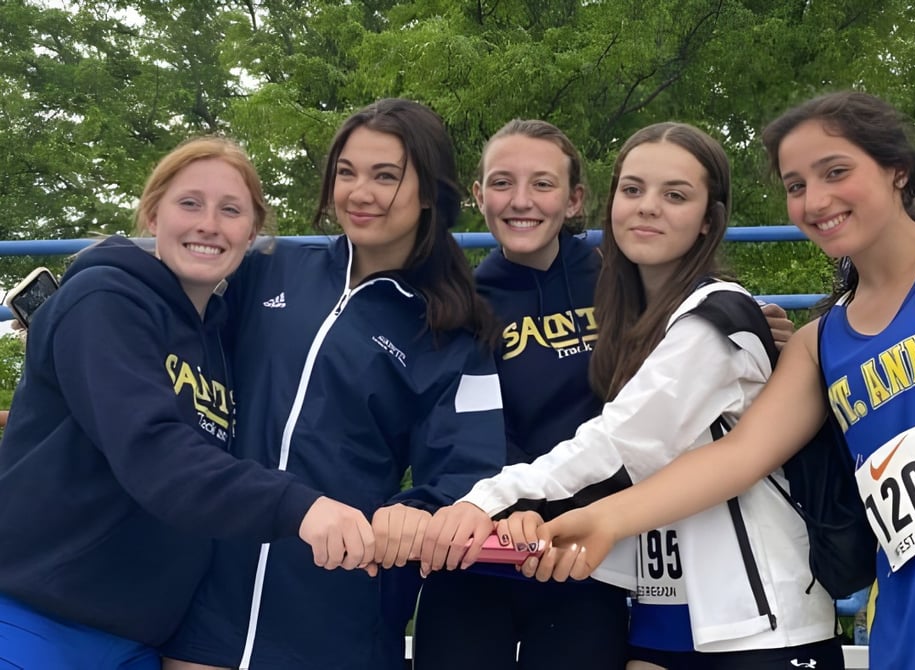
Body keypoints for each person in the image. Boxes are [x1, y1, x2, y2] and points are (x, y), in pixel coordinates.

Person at [533, 92, 915, 670]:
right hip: (914, 632)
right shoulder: (817, 343)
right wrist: (606, 518)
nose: (815, 199)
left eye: (835, 172)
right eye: (796, 184)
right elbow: (737, 455)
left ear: (897, 170)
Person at [420, 122, 841, 669]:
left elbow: (626, 437)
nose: (647, 207)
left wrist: (488, 498)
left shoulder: (716, 314)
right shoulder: (631, 314)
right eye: (633, 189)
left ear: (709, 219)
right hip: (657, 601)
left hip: (756, 613)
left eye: (675, 195)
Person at [162, 99, 507, 670]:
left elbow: (470, 472)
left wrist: (417, 508)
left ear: (428, 193)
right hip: (208, 602)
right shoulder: (268, 270)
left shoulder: (454, 332)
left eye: (385, 176)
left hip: (339, 612)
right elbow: (171, 320)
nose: (359, 192)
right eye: (346, 173)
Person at [0, 136, 363, 669]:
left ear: (252, 232)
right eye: (190, 203)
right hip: (34, 617)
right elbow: (152, 449)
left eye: (231, 210)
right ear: (152, 215)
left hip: (143, 637)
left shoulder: (219, 338)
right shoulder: (104, 300)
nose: (209, 224)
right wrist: (300, 506)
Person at [411, 119, 630, 670]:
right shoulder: (459, 301)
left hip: (582, 553)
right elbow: (461, 428)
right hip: (481, 546)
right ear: (480, 196)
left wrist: (761, 323)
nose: (521, 201)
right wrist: (510, 511)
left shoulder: (623, 285)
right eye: (503, 183)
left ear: (575, 199)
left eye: (543, 184)